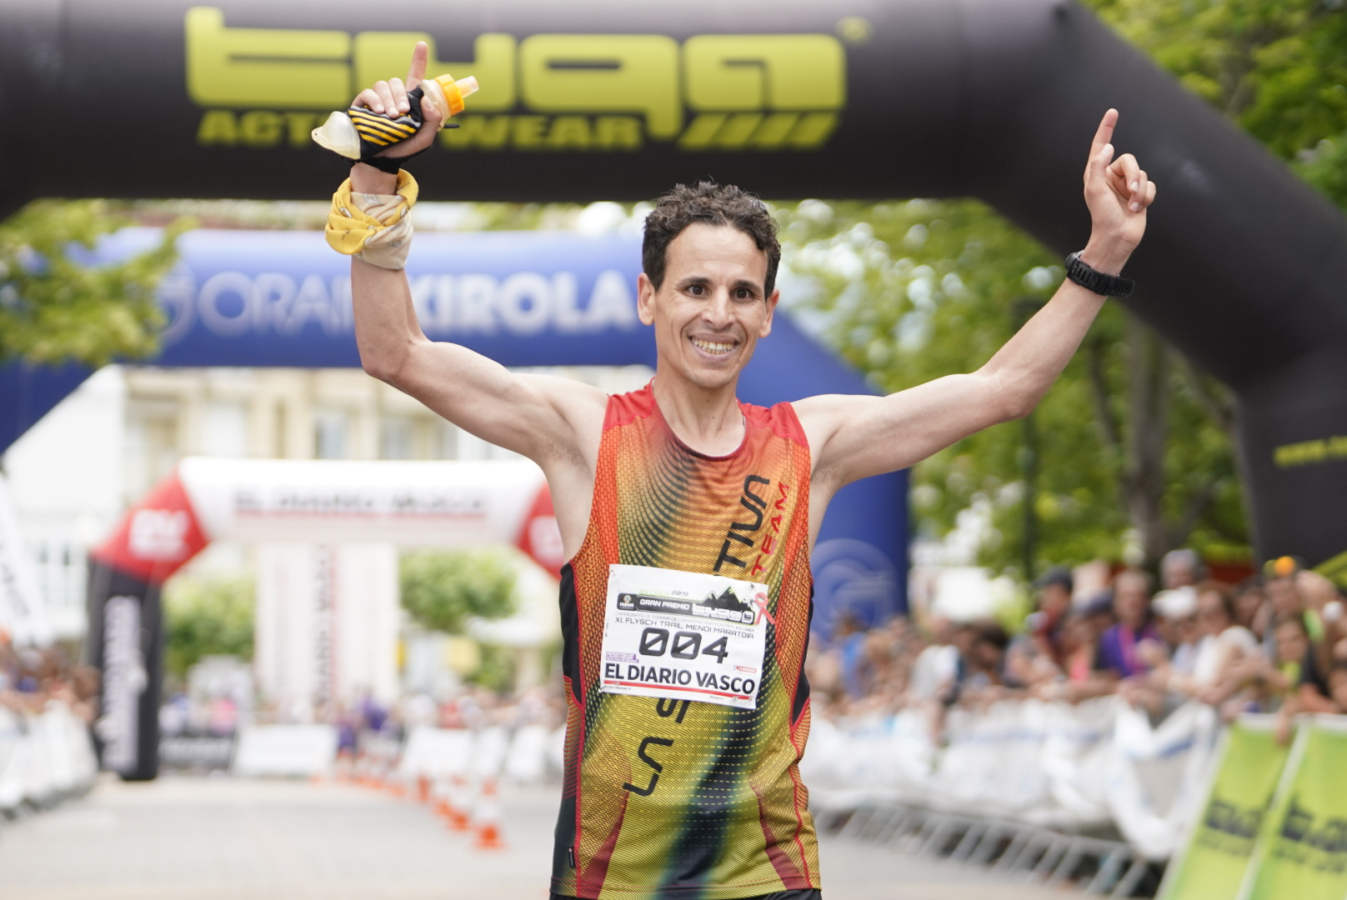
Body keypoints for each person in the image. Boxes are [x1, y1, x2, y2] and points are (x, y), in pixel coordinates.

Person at [334, 43, 1157, 900]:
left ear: (768, 312)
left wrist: (1102, 251)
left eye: (740, 293)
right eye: (694, 289)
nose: (716, 314)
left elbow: (1004, 389)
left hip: (765, 871)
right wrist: (377, 173)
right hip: (611, 874)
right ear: (649, 299)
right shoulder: (582, 432)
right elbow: (394, 350)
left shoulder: (813, 443)